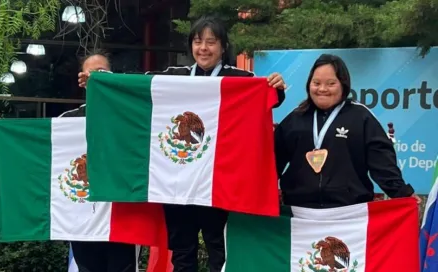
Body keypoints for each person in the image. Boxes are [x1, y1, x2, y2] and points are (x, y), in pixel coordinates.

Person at [78, 16, 287, 272]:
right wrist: (102, 81)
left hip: (219, 182)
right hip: (177, 183)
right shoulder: (174, 77)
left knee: (219, 249)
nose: (203, 48)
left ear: (223, 47)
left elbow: (270, 98)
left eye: (211, 42)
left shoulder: (240, 78)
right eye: (198, 41)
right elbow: (136, 86)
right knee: (182, 252)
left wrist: (275, 86)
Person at [274, 53, 420, 209]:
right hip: (299, 213)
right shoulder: (295, 118)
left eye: (331, 83)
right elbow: (271, 162)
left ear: (343, 85)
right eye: (316, 83)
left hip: (349, 215)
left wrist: (403, 194)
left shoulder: (361, 117)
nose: (322, 89)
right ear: (309, 84)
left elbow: (382, 163)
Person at [62, 51, 138, 272]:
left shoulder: (130, 117)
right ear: (81, 80)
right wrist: (1, 129)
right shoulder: (68, 122)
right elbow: (38, 142)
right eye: (91, 73)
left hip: (121, 216)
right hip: (83, 218)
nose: (96, 77)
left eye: (102, 72)